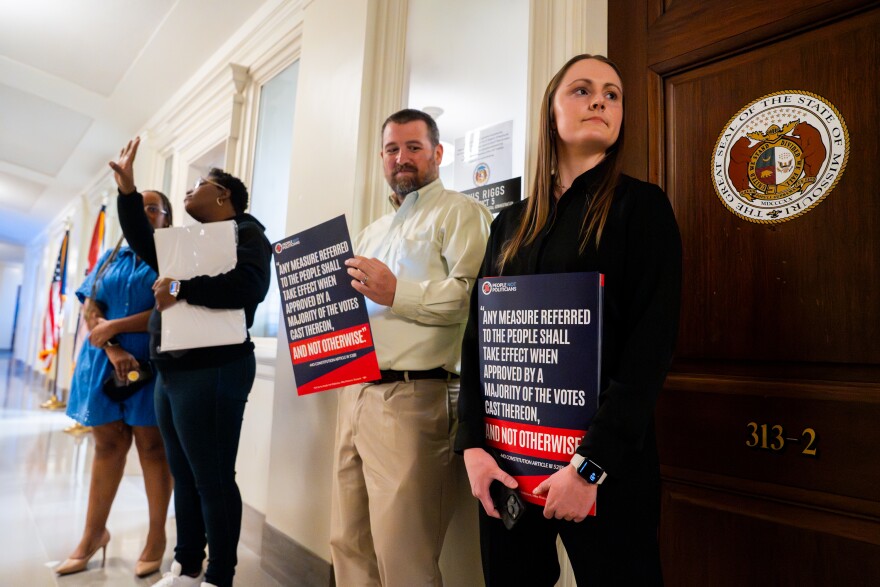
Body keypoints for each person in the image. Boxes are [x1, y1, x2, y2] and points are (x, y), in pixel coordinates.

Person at [455, 54, 682, 586]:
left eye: (612, 93)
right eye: (581, 90)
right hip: (506, 466)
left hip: (603, 472)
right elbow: (478, 343)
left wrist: (590, 466)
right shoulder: (508, 223)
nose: (600, 99)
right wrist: (471, 447)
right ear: (550, 112)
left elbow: (651, 347)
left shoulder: (642, 208)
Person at [330, 109, 492, 586]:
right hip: (354, 393)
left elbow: (473, 296)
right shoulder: (370, 233)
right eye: (392, 149)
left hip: (415, 400)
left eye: (414, 147)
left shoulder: (462, 213)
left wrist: (397, 291)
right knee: (347, 544)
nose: (402, 158)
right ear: (382, 158)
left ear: (438, 153)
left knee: (405, 559)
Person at [110, 137, 272, 587]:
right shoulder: (186, 241)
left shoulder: (249, 232)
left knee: (213, 477)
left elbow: (248, 286)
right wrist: (127, 191)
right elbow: (143, 241)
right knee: (183, 473)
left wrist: (180, 289)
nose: (188, 190)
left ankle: (219, 575)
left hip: (216, 371)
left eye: (200, 183)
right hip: (173, 371)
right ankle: (186, 566)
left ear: (222, 195)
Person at [56, 191, 174, 578]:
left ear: (166, 220)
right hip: (105, 363)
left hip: (150, 364)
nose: (145, 213)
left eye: (153, 208)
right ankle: (93, 535)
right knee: (106, 446)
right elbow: (90, 306)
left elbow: (170, 306)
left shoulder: (171, 258)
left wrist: (116, 328)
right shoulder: (111, 257)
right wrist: (110, 346)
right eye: (139, 207)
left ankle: (156, 539)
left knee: (152, 448)